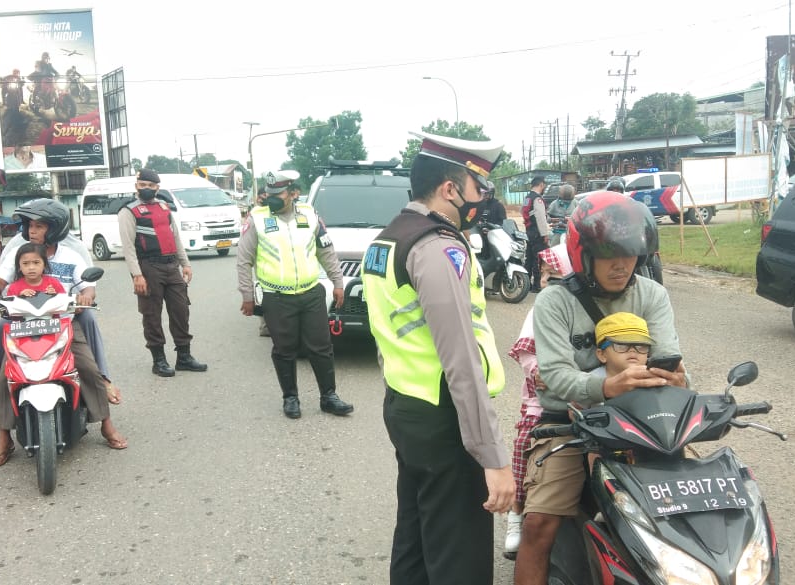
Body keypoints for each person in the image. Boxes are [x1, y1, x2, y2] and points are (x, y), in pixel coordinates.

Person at [361, 131, 514, 584]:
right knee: (459, 558)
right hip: (446, 419)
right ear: (450, 189)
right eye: (479, 187)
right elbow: (461, 361)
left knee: (416, 538)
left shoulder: (386, 239)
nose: (484, 198)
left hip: (406, 406)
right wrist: (494, 459)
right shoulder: (438, 247)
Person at [514, 191, 688, 585]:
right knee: (539, 524)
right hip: (567, 424)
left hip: (644, 420)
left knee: (688, 507)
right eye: (611, 255)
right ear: (583, 254)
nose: (623, 265)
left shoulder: (653, 295)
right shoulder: (554, 301)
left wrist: (679, 379)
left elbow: (669, 361)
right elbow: (556, 378)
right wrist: (608, 386)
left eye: (631, 255)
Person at [0, 199, 126, 467]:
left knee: (89, 370)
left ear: (54, 229)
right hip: (22, 327)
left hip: (64, 324)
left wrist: (87, 297)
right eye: (29, 225)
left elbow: (87, 285)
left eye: (39, 226)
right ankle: (4, 440)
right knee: (4, 379)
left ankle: (106, 424)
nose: (32, 230)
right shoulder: (18, 254)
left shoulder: (70, 256)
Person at [237, 170, 353, 419]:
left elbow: (326, 251)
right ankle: (290, 398)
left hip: (311, 293)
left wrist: (338, 282)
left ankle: (329, 397)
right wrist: (247, 295)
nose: (271, 198)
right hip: (277, 297)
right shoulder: (256, 218)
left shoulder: (310, 215)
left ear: (293, 193)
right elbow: (243, 260)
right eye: (268, 193)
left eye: (278, 194)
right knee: (284, 349)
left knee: (321, 347)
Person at [503, 244, 572, 558]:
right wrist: (549, 375)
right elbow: (531, 362)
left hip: (589, 400)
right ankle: (516, 514)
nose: (546, 280)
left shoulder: (584, 306)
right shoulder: (540, 308)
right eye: (545, 273)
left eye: (554, 274)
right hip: (543, 402)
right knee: (524, 444)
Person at [118, 168, 207, 377]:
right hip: (148, 268)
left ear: (157, 187)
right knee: (151, 315)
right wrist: (137, 275)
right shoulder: (128, 211)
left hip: (171, 266)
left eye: (150, 186)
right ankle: (159, 360)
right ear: (136, 186)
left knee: (181, 311)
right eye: (142, 186)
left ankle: (184, 357)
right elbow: (128, 247)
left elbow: (175, 237)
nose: (146, 189)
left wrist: (185, 263)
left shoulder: (164, 207)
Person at [591, 312, 653, 379]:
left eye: (640, 345)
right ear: (602, 355)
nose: (633, 350)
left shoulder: (657, 380)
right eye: (622, 345)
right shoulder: (590, 383)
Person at [522, 176, 550, 292]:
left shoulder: (527, 198)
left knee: (529, 258)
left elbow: (524, 213)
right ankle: (537, 285)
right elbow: (540, 218)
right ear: (541, 185)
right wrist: (545, 234)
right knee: (538, 259)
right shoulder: (537, 199)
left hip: (529, 231)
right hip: (537, 233)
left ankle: (526, 284)